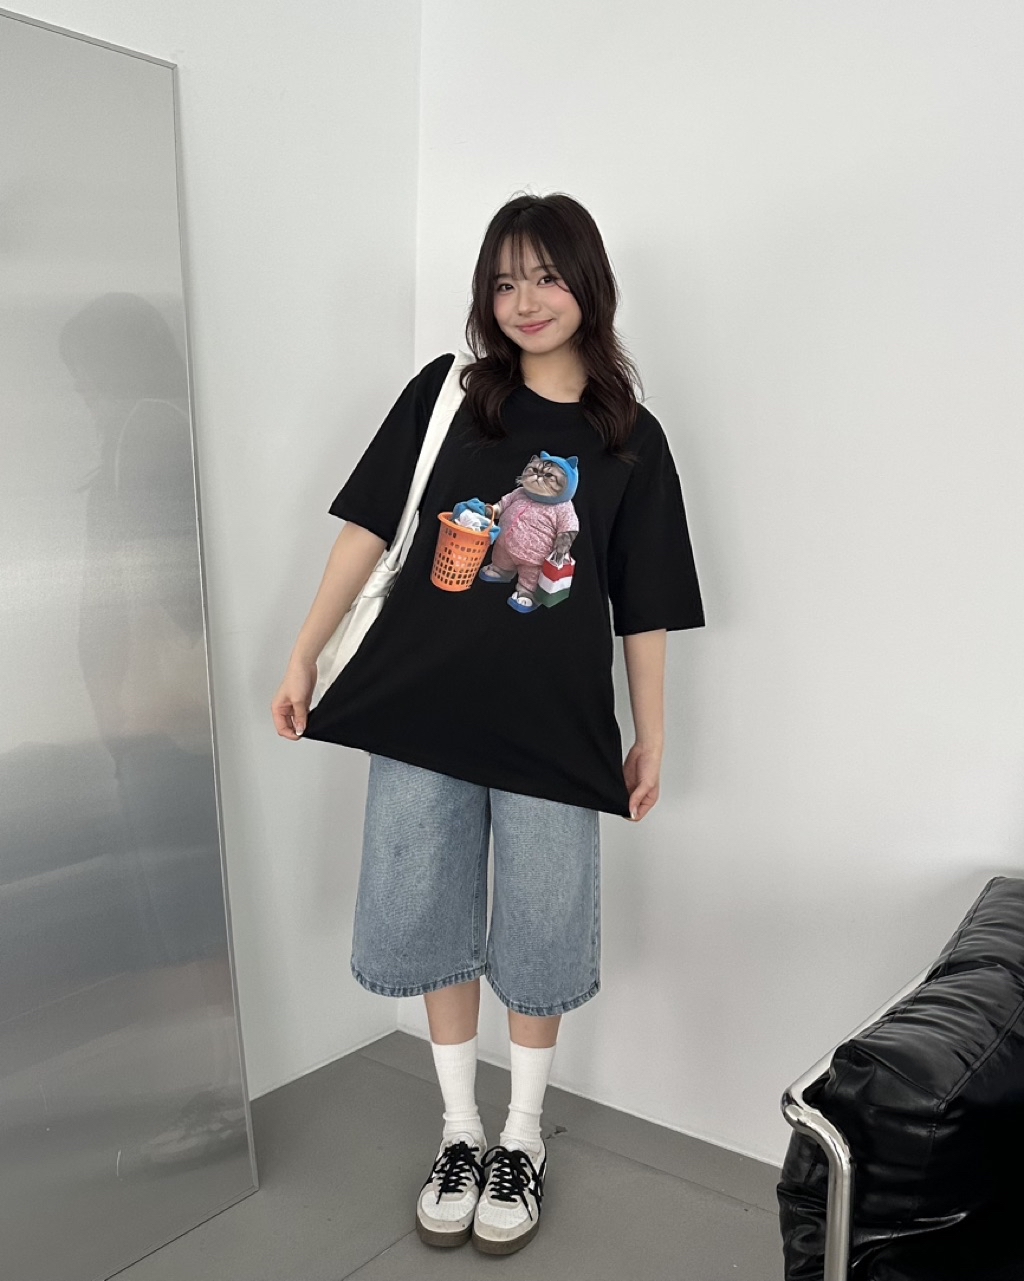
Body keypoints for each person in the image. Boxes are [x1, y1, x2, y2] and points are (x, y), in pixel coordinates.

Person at [271, 192, 704, 1255]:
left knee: (542, 932)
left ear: (588, 284)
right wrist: (301, 652)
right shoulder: (448, 397)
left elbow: (644, 605)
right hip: (421, 712)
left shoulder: (628, 439)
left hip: (554, 729)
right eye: (505, 281)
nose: (525, 300)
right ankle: (460, 1129)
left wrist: (650, 734)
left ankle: (523, 1135)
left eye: (546, 276)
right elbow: (367, 530)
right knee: (426, 916)